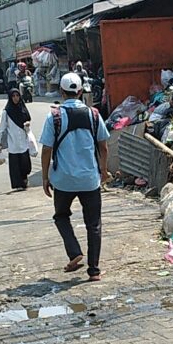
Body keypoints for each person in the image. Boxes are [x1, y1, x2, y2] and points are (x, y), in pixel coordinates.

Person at [39, 73, 110, 281]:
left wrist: (45, 177)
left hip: (63, 180)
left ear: (62, 92)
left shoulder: (54, 116)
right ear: (80, 92)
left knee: (61, 216)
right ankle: (94, 271)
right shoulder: (94, 114)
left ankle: (74, 251)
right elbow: (104, 147)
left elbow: (46, 150)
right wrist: (104, 171)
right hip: (90, 179)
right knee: (93, 224)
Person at [0, 88, 35, 191]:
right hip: (13, 144)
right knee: (15, 167)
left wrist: (27, 125)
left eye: (17, 96)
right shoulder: (7, 112)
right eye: (13, 96)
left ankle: (25, 178)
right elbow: (2, 128)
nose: (16, 98)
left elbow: (28, 120)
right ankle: (19, 184)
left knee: (26, 165)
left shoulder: (23, 109)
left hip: (24, 142)